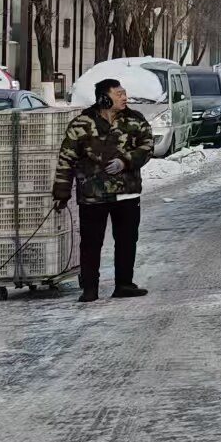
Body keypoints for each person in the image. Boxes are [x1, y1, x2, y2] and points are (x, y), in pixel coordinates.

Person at [53, 77, 156, 302]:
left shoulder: (134, 120)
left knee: (127, 240)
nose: (124, 97)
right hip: (93, 195)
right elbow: (66, 157)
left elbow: (148, 146)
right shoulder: (82, 124)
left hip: (127, 192)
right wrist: (61, 191)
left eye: (124, 92)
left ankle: (124, 284)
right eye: (118, 94)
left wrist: (126, 161)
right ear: (103, 98)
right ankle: (90, 289)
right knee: (90, 243)